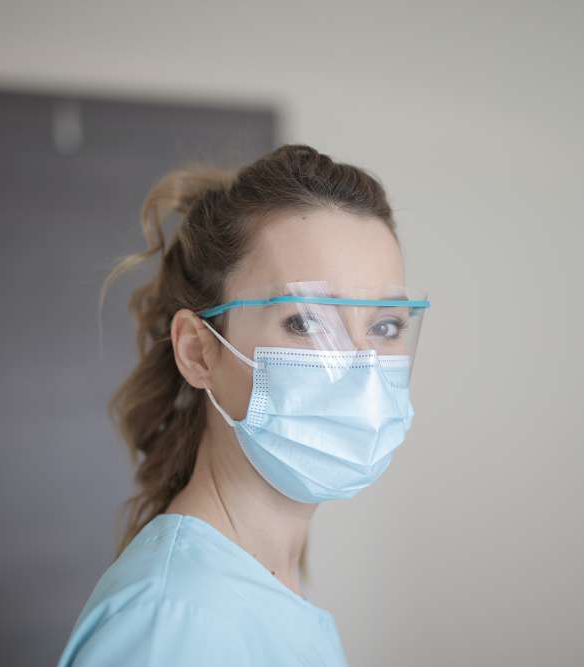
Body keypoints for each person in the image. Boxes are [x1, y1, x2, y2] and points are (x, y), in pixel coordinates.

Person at [55, 144, 429, 666]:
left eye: (385, 326)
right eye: (305, 322)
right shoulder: (171, 621)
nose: (362, 370)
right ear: (197, 351)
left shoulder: (263, 583)